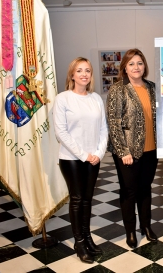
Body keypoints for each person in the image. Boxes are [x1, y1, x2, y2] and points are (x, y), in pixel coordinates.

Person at [53, 57, 108, 264]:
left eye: (87, 70)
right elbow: (61, 133)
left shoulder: (95, 99)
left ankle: (87, 237)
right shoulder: (63, 99)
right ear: (72, 75)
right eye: (79, 70)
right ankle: (79, 242)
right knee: (77, 199)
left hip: (93, 158)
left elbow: (103, 129)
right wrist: (84, 155)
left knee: (87, 199)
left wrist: (99, 153)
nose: (84, 74)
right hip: (71, 158)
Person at [106, 49, 158, 249]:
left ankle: (146, 227)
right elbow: (114, 122)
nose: (136, 67)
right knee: (129, 191)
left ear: (144, 66)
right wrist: (123, 151)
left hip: (151, 149)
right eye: (132, 64)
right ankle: (130, 231)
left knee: (145, 189)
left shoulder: (152, 87)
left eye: (140, 63)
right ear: (124, 68)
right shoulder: (118, 90)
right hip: (127, 151)